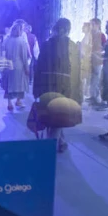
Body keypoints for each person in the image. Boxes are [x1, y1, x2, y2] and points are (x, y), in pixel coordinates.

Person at [34, 18, 80, 152]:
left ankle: (61, 142)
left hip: (46, 85)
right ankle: (50, 148)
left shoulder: (46, 45)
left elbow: (38, 68)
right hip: (63, 86)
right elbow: (75, 70)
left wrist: (36, 88)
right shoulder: (72, 46)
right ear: (68, 30)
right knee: (58, 117)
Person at [1, 20, 30, 111]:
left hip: (8, 65)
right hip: (19, 66)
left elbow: (2, 53)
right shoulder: (22, 41)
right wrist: (26, 68)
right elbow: (24, 56)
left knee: (9, 85)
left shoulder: (6, 40)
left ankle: (9, 103)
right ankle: (18, 101)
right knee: (20, 85)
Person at [87, 18, 106, 108]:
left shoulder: (101, 35)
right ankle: (92, 96)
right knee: (92, 79)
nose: (91, 26)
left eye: (93, 24)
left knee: (97, 79)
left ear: (98, 25)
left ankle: (98, 99)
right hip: (90, 60)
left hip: (98, 60)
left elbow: (105, 48)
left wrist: (98, 53)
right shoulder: (90, 34)